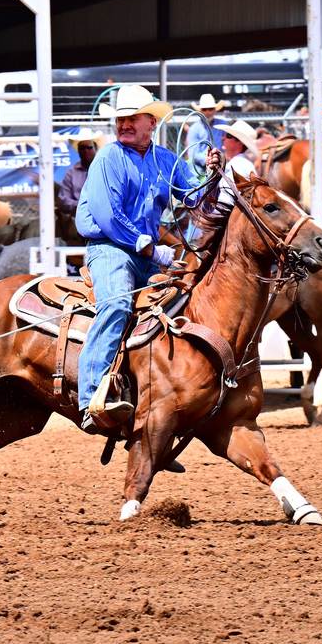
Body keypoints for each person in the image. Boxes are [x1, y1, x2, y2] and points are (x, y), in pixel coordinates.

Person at [75, 84, 223, 433]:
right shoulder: (109, 157)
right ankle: (89, 398)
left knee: (177, 312)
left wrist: (213, 173)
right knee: (116, 305)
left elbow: (197, 197)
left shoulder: (166, 161)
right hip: (111, 249)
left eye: (131, 118)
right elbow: (108, 216)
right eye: (120, 119)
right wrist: (150, 248)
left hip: (147, 255)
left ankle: (156, 409)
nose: (124, 124)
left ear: (150, 123)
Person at [214, 119, 260, 208]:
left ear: (239, 142)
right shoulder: (239, 162)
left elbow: (226, 201)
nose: (223, 138)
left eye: (228, 135)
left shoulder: (238, 165)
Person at [57, 128, 102, 217]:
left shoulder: (103, 170)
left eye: (89, 147)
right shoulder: (71, 173)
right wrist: (84, 207)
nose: (85, 151)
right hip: (77, 219)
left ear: (95, 149)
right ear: (78, 150)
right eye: (82, 148)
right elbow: (64, 200)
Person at [186, 93, 228, 173]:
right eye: (204, 109)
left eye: (210, 109)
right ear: (200, 111)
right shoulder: (194, 129)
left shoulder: (223, 125)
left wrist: (220, 158)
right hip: (200, 167)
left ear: (215, 110)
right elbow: (192, 154)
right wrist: (208, 160)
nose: (208, 112)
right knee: (196, 180)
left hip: (221, 162)